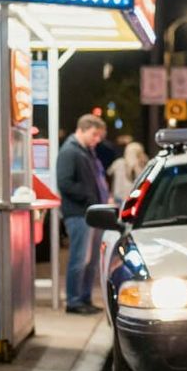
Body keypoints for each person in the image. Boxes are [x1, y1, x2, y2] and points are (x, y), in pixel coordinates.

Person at [58, 115, 112, 314]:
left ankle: (85, 298)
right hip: (79, 214)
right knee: (80, 259)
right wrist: (90, 197)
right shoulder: (70, 152)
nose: (97, 139)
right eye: (94, 134)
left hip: (92, 212)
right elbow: (64, 183)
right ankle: (74, 301)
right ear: (82, 129)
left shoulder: (87, 152)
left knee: (90, 261)